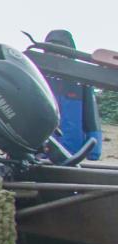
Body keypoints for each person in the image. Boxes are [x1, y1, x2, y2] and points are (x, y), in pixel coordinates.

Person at [42, 30, 102, 162]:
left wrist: (94, 151)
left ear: (70, 53)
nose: (56, 55)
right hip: (40, 152)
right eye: (51, 50)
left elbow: (91, 117)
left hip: (72, 153)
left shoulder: (80, 80)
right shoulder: (37, 77)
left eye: (61, 51)